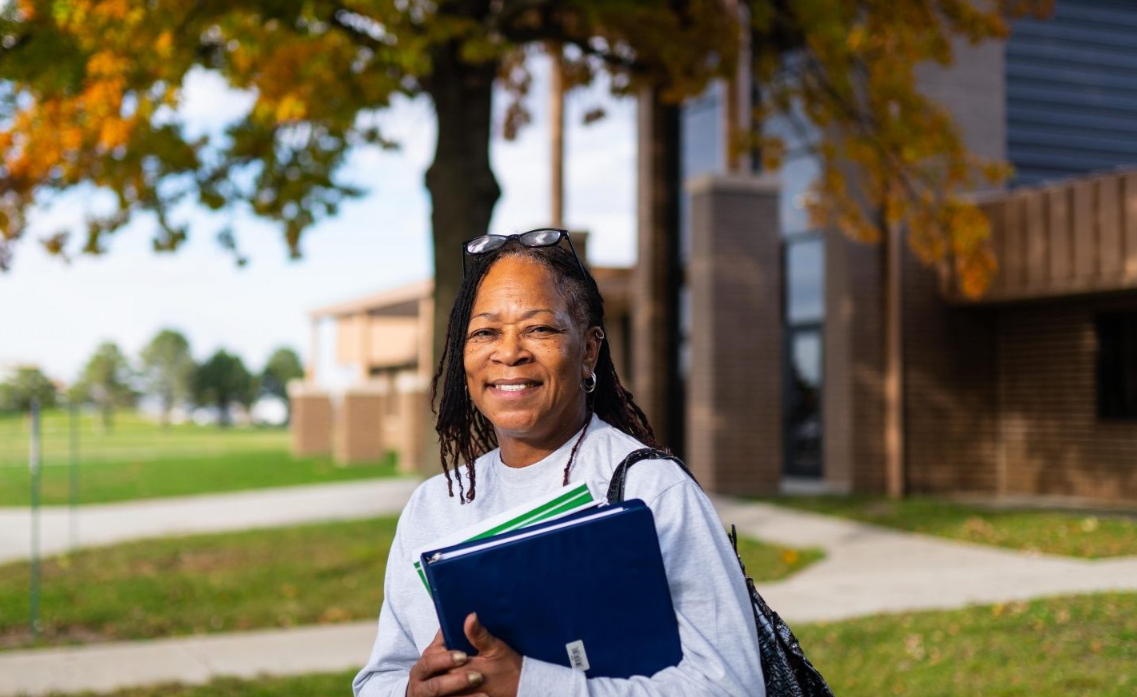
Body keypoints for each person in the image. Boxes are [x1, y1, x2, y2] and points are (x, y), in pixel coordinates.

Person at [353, 228, 764, 697]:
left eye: (539, 329)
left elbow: (731, 686)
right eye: (485, 332)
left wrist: (529, 684)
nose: (509, 352)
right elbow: (378, 679)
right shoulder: (432, 506)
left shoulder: (651, 489)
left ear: (589, 350)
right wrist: (412, 692)